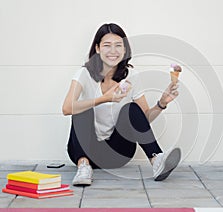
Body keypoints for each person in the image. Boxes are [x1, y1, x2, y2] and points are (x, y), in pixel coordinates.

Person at [62, 23, 181, 186]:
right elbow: (67, 108)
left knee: (131, 108)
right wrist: (104, 98)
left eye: (118, 45)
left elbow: (143, 119)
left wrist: (161, 103)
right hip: (86, 151)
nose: (113, 51)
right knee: (81, 108)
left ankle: (157, 160)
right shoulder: (84, 74)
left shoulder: (132, 76)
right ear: (97, 48)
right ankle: (84, 167)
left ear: (125, 50)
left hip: (117, 154)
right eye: (107, 45)